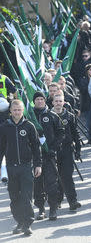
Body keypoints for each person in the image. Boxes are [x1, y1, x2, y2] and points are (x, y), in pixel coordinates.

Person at [0, 100, 41, 236]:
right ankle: (19, 222)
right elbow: (0, 149)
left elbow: (36, 147)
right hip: (11, 168)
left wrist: (38, 165)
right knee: (14, 198)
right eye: (15, 110)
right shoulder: (4, 127)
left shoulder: (29, 126)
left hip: (25, 167)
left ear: (23, 110)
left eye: (19, 110)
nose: (17, 112)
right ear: (10, 110)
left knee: (26, 196)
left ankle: (27, 224)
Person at [32, 91, 65, 221]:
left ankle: (53, 208)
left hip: (49, 155)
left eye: (41, 99)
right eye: (37, 99)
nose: (39, 101)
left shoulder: (52, 116)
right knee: (37, 184)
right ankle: (41, 209)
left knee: (51, 183)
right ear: (34, 101)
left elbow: (61, 133)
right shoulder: (29, 116)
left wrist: (53, 149)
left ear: (45, 100)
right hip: (35, 157)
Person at [52, 93, 82, 211]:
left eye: (60, 101)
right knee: (56, 177)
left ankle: (72, 201)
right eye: (56, 101)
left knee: (67, 176)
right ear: (53, 102)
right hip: (53, 151)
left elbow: (75, 133)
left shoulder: (69, 116)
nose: (58, 103)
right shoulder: (48, 116)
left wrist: (78, 149)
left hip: (67, 150)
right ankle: (57, 200)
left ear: (64, 102)